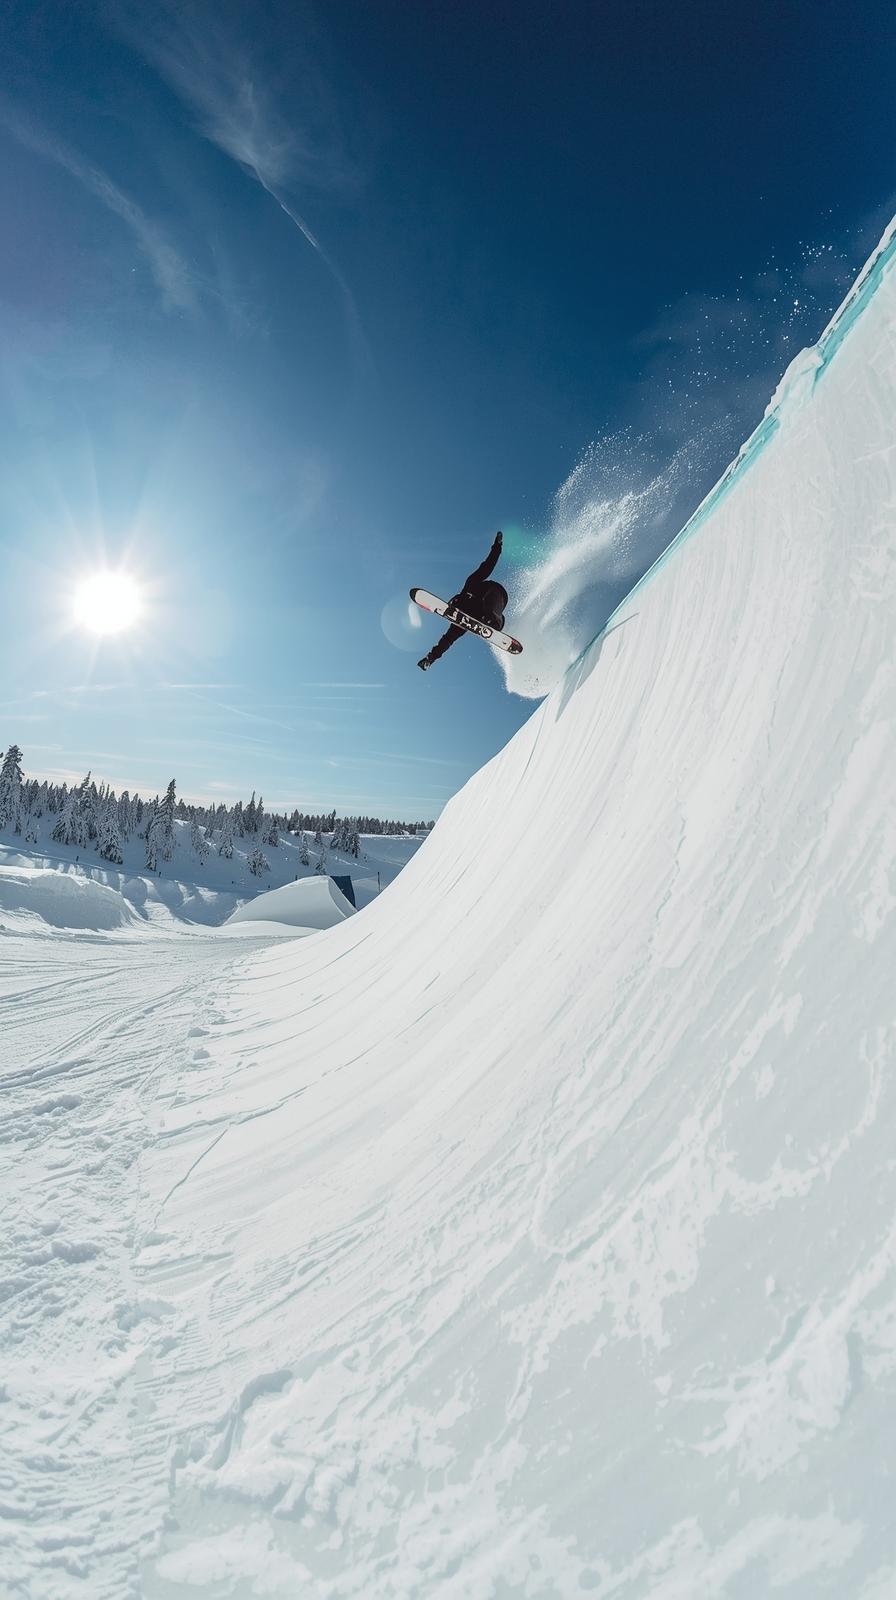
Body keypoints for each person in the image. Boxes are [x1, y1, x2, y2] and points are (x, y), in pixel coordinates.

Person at [418, 531, 507, 671]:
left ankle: (494, 621)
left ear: (457, 599)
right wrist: (431, 658)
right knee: (456, 631)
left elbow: (487, 566)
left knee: (489, 608)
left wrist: (497, 547)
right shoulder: (460, 621)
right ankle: (490, 621)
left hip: (496, 593)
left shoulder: (470, 584)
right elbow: (447, 640)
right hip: (484, 614)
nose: (456, 612)